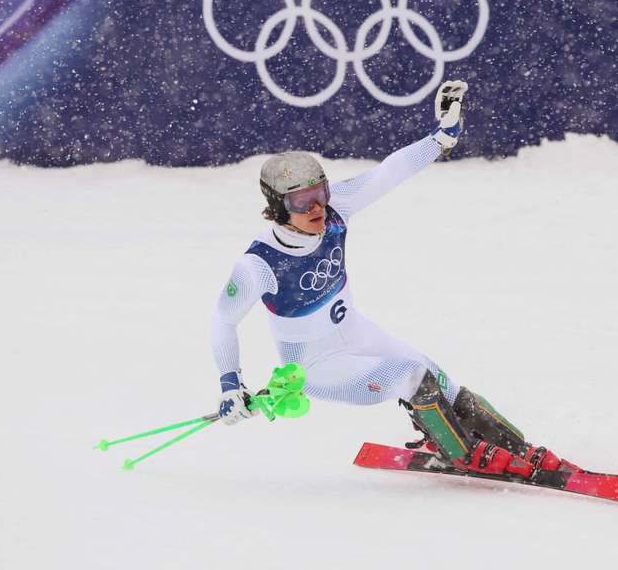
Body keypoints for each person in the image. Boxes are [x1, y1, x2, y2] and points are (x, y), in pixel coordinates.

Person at [212, 81, 568, 478]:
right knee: (409, 377)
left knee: (437, 377)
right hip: (315, 364)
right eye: (301, 201)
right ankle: (464, 453)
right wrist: (231, 384)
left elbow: (389, 172)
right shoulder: (259, 263)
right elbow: (223, 321)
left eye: (321, 192)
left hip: (355, 332)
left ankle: (519, 449)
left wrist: (441, 138)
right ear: (279, 207)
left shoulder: (336, 210)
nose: (316, 207)